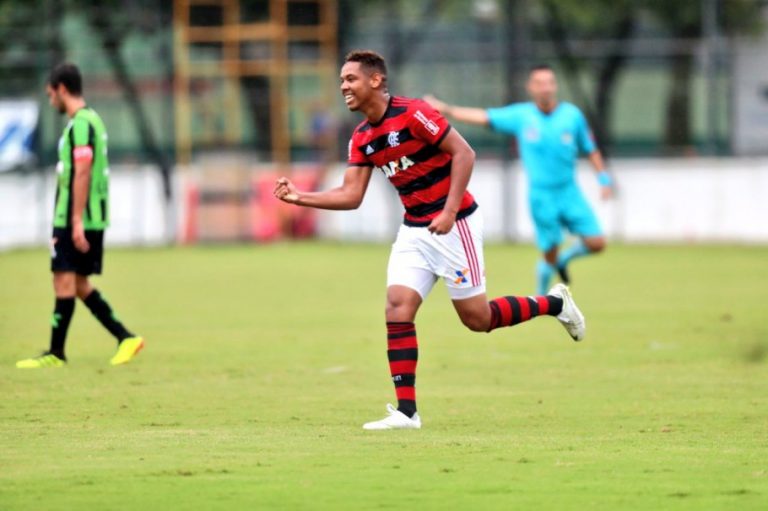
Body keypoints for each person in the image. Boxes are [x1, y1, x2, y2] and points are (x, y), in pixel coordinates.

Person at [274, 51, 585, 430]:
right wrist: (299, 197)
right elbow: (351, 195)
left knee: (478, 319)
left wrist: (450, 211)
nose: (343, 87)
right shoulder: (362, 137)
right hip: (415, 231)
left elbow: (464, 154)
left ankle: (555, 304)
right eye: (341, 80)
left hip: (457, 225)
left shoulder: (413, 113)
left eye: (350, 79)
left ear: (375, 81)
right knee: (396, 308)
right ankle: (407, 413)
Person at [424, 64, 613, 295]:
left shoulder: (572, 115)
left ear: (555, 86)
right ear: (531, 88)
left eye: (549, 83)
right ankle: (542, 298)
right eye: (540, 83)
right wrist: (447, 109)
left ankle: (563, 261)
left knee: (597, 243)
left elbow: (590, 148)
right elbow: (485, 117)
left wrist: (603, 179)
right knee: (549, 252)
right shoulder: (521, 116)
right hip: (542, 196)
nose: (545, 88)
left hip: (570, 191)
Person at [16, 63, 144, 369]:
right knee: (77, 283)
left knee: (63, 279)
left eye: (51, 95)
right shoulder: (90, 121)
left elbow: (82, 172)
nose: (51, 102)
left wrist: (74, 221)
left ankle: (56, 353)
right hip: (83, 217)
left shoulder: (82, 124)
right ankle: (126, 337)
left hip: (78, 218)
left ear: (61, 89)